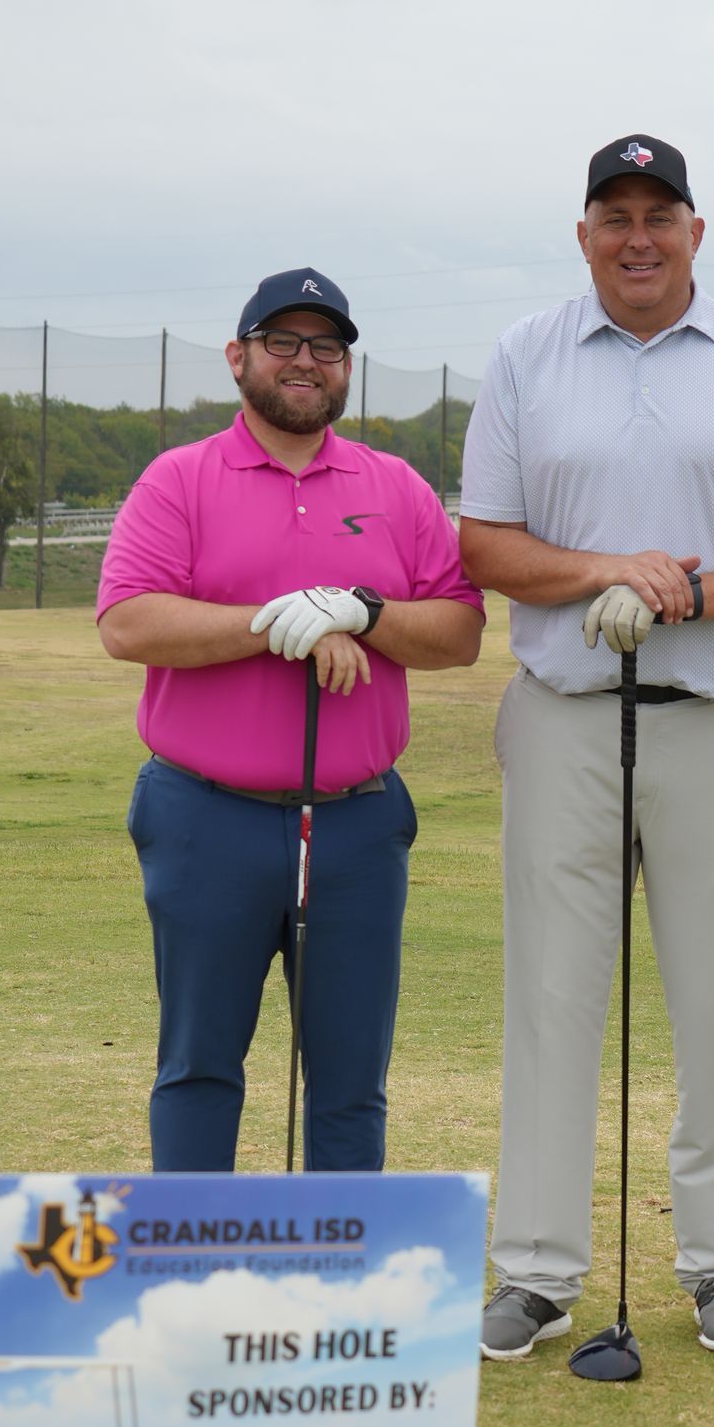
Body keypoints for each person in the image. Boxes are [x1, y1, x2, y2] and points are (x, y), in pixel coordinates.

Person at [460, 136, 714, 1359]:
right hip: (566, 714)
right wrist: (604, 574)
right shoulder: (526, 356)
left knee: (713, 998)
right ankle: (534, 1271)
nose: (637, 236)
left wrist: (685, 594)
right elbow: (485, 544)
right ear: (584, 233)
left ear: (694, 231)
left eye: (659, 215)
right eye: (614, 214)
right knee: (552, 998)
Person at [97, 269, 483, 1171]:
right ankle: (193, 1296)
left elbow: (460, 631)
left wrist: (363, 612)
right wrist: (284, 624)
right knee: (197, 1066)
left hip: (356, 820)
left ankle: (340, 1295)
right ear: (240, 357)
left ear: (347, 368)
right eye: (284, 343)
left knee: (351, 1078)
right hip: (205, 816)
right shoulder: (180, 479)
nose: (306, 362)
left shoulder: (397, 487)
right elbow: (127, 621)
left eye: (327, 346)